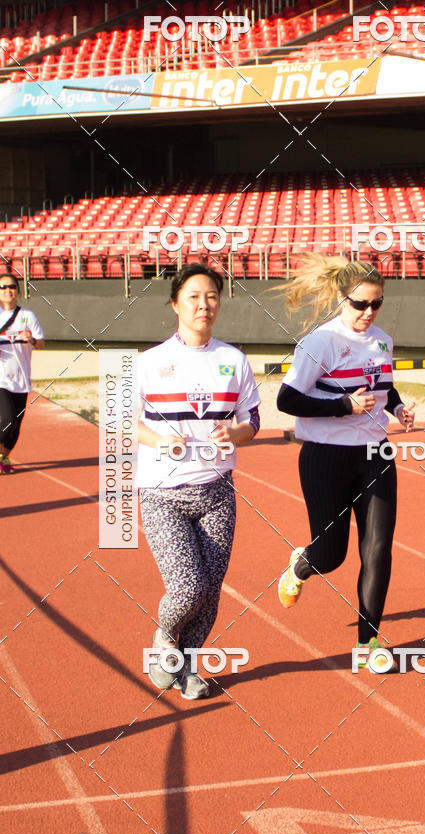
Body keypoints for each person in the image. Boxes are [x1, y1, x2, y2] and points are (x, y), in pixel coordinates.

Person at [276, 254, 415, 666]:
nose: (368, 312)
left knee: (378, 549)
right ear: (342, 299)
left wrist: (398, 408)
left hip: (375, 454)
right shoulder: (320, 342)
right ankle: (300, 565)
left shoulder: (382, 340)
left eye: (376, 304)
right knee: (331, 556)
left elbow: (385, 387)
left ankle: (368, 643)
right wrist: (343, 406)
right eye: (360, 304)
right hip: (325, 458)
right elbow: (287, 399)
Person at [137, 263, 260, 699]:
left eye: (211, 296)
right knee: (187, 587)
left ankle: (187, 665)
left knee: (210, 592)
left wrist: (236, 433)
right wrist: (157, 439)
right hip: (162, 493)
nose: (203, 304)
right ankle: (166, 642)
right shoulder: (150, 362)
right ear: (175, 303)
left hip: (217, 492)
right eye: (193, 296)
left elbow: (253, 422)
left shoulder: (233, 360)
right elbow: (123, 422)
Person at [0, 273, 45, 474]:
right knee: (7, 419)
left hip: (22, 379)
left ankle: (3, 457)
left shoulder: (27, 315)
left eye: (11, 287)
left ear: (18, 291)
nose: (7, 291)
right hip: (1, 378)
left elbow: (42, 343)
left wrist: (32, 340)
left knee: (16, 426)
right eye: (3, 287)